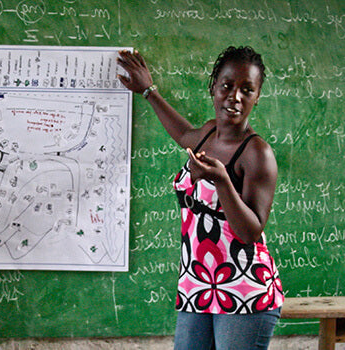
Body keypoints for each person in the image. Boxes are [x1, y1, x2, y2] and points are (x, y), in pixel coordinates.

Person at [117, 47, 283, 349]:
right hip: (198, 285)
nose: (235, 97)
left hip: (244, 290)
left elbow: (251, 231)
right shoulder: (207, 135)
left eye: (247, 90)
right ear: (213, 88)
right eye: (227, 86)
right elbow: (183, 135)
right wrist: (148, 91)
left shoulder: (257, 154)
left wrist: (222, 182)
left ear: (257, 97)